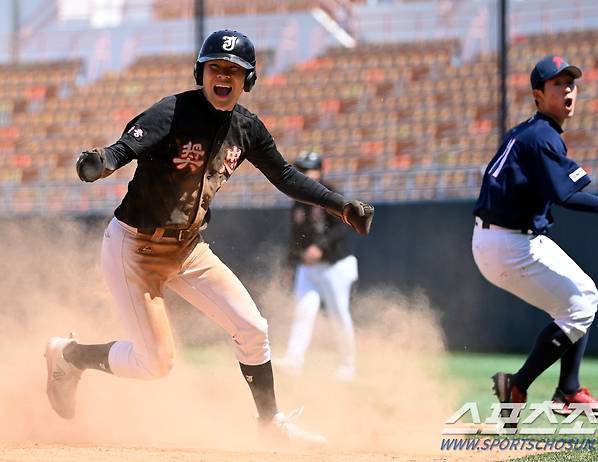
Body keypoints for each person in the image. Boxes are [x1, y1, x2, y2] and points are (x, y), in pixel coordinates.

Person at [44, 29, 374, 444]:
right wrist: (103, 162)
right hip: (134, 248)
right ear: (201, 72)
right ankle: (69, 356)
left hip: (187, 249)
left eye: (235, 71)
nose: (224, 76)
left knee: (253, 328)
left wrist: (342, 206)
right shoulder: (172, 112)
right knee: (156, 363)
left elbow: (287, 176)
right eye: (216, 67)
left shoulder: (246, 128)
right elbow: (122, 149)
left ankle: (270, 423)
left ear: (247, 81)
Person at [471, 55, 598, 427]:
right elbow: (566, 195)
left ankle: (556, 388)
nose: (568, 90)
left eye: (571, 83)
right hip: (509, 245)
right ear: (538, 95)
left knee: (582, 297)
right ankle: (540, 388)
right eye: (557, 84)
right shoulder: (542, 137)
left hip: (505, 238)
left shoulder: (531, 132)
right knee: (581, 304)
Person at [275, 151, 358, 381]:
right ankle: (293, 362)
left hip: (335, 265)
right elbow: (295, 236)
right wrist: (290, 264)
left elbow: (342, 227)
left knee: (339, 314)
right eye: (301, 169)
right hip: (308, 268)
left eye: (308, 169)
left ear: (320, 171)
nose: (304, 174)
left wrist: (320, 247)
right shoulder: (298, 201)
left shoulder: (332, 195)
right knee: (303, 312)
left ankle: (348, 366)